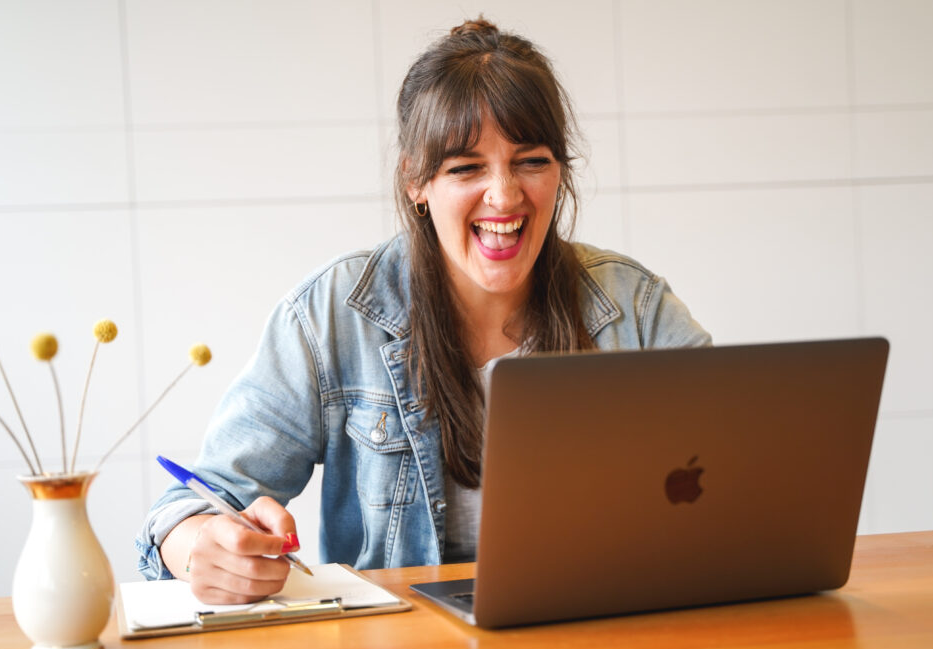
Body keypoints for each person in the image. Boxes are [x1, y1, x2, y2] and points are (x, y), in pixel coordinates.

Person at [135, 18, 711, 604]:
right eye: (466, 168)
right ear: (416, 181)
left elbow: (738, 473)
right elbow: (187, 507)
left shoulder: (634, 306)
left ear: (560, 170)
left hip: (593, 637)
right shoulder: (332, 315)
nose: (505, 195)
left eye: (531, 161)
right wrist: (202, 545)